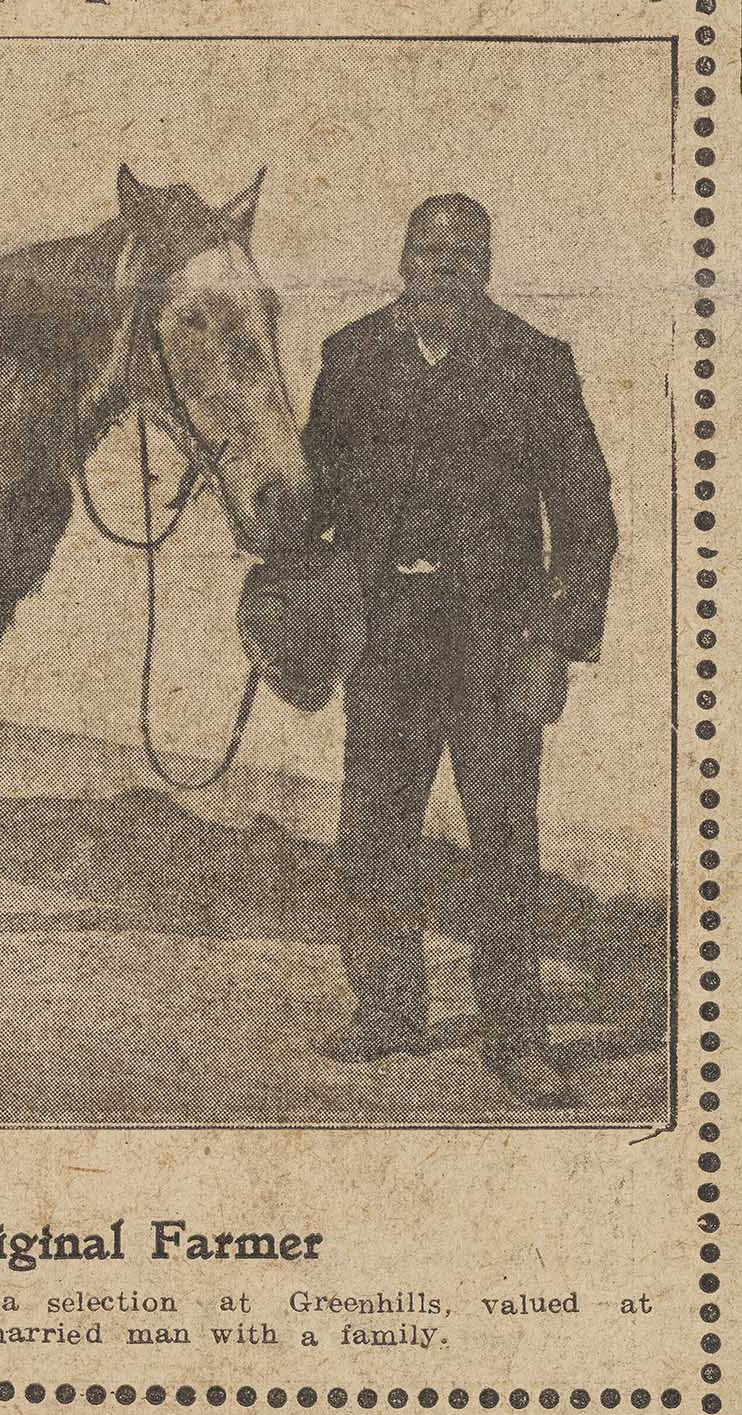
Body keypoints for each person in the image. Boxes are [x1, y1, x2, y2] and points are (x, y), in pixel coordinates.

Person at [303, 194, 618, 1109]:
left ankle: (519, 1035)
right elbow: (314, 491)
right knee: (372, 834)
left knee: (505, 841)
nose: (447, 263)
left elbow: (588, 520)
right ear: (402, 256)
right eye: (430, 247)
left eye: (466, 249)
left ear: (488, 261)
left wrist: (555, 642)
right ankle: (389, 1012)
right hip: (386, 642)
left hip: (497, 647)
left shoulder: (535, 362)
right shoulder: (351, 355)